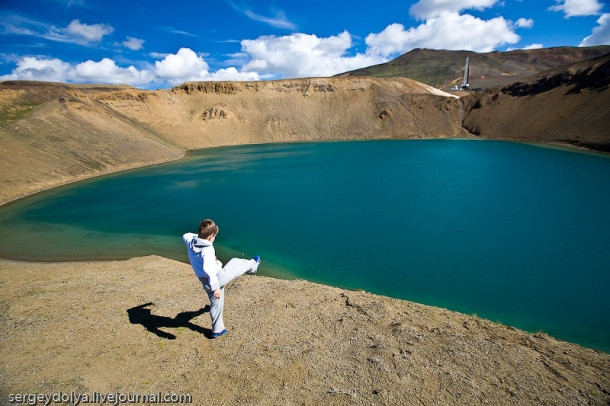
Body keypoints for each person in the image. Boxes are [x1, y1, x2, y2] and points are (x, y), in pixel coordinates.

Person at [183, 219, 261, 338]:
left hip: (205, 282)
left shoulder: (190, 241)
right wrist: (216, 288)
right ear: (210, 236)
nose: (215, 238)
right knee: (235, 263)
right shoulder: (207, 251)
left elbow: (186, 235)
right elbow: (209, 269)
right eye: (214, 236)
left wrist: (200, 237)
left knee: (216, 304)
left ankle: (218, 330)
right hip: (217, 278)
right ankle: (253, 265)